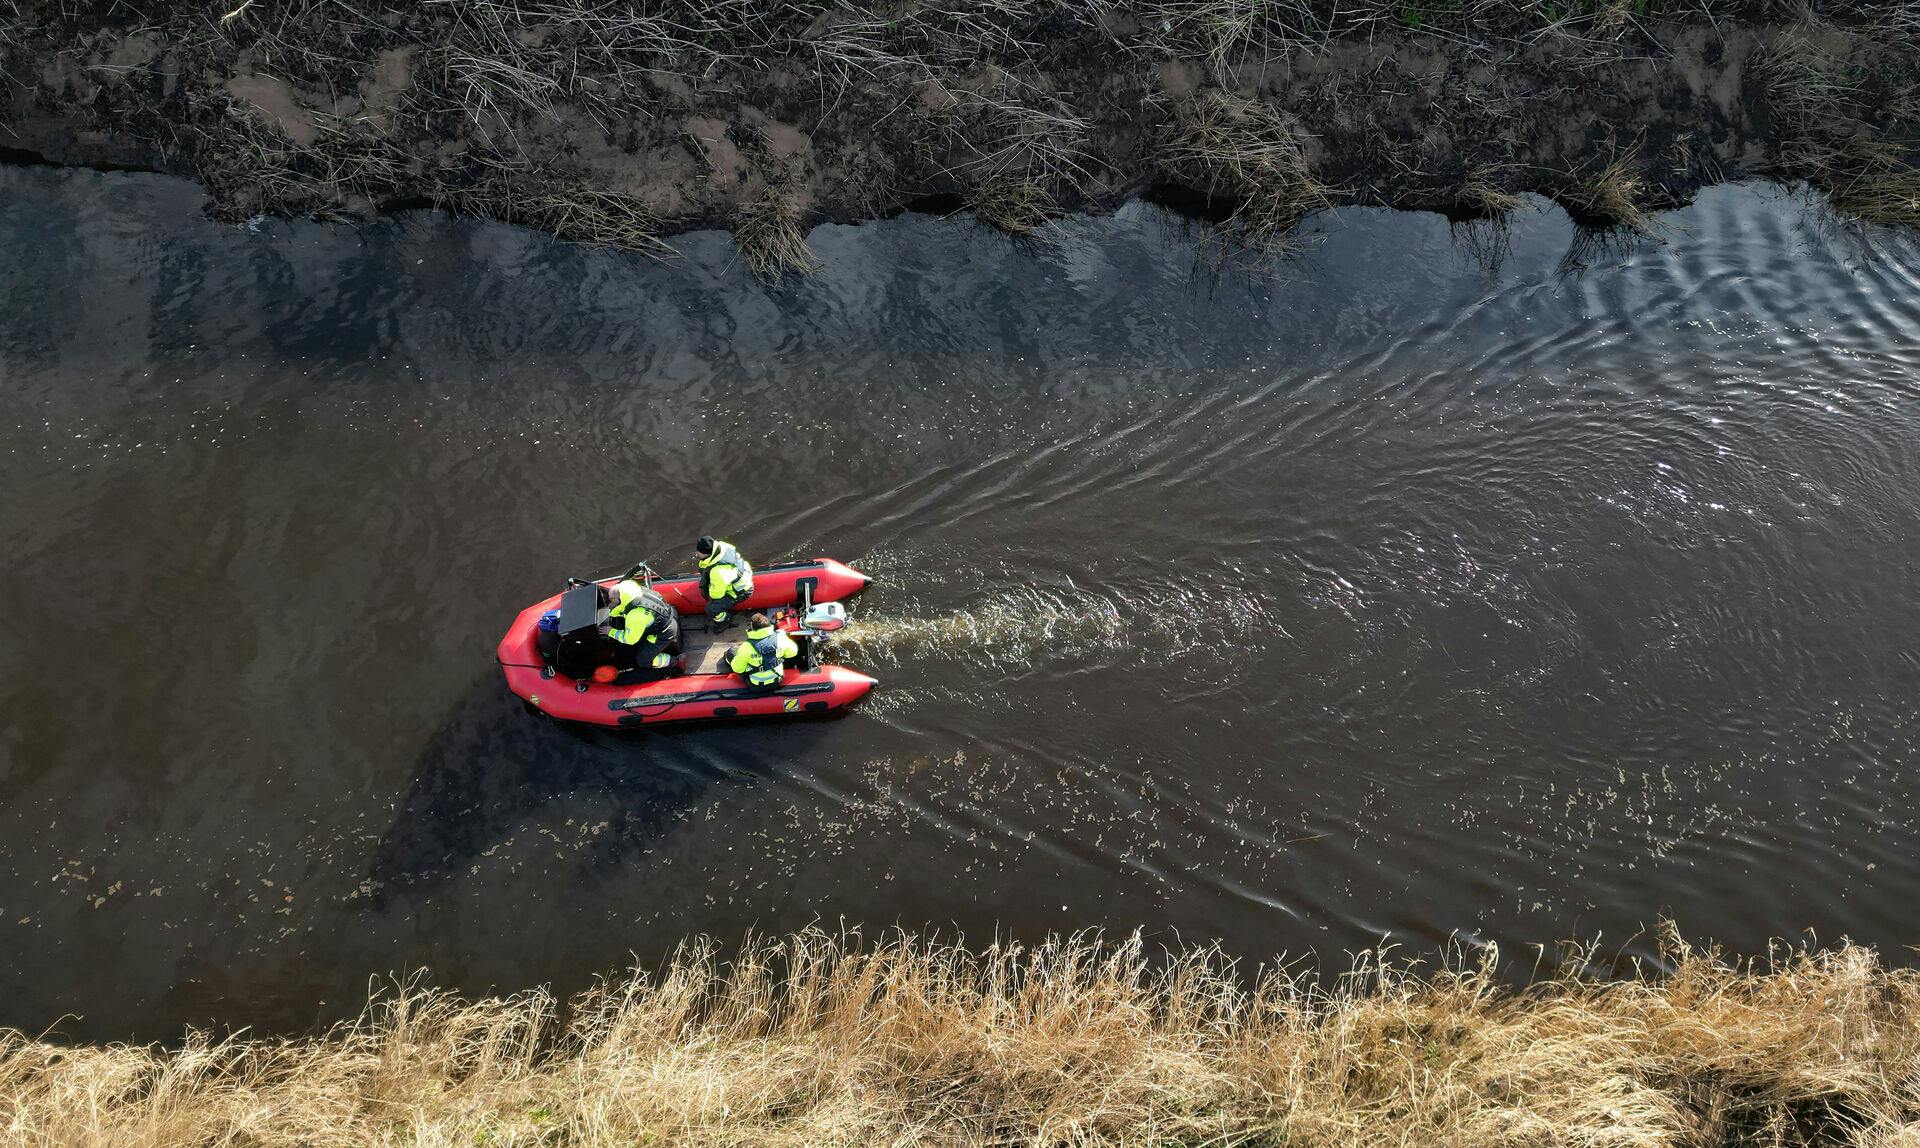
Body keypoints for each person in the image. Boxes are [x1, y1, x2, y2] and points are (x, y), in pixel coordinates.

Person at [603, 578, 680, 674]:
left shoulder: (635, 615)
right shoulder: (635, 591)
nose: (610, 602)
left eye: (611, 600)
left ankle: (675, 661)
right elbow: (624, 608)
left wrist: (610, 631)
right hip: (668, 615)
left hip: (664, 632)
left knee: (643, 660)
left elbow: (630, 639)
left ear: (620, 599)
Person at [694, 535, 754, 631]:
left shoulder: (718, 572)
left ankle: (725, 619)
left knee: (711, 609)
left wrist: (708, 590)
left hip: (741, 591)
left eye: (699, 552)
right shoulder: (723, 547)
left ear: (706, 554)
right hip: (740, 574)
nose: (696, 554)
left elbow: (716, 595)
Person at [729, 611, 797, 691]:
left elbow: (738, 669)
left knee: (731, 653)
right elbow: (792, 653)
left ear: (752, 628)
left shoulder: (746, 647)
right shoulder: (780, 638)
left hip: (755, 685)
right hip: (777, 680)